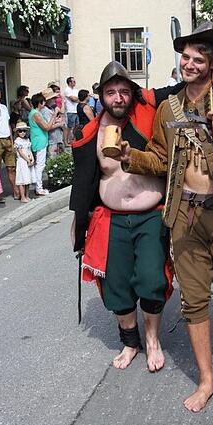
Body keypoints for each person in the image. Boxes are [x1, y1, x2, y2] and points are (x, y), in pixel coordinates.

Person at [114, 21, 213, 413]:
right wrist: (130, 157)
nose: (188, 64)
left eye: (197, 59)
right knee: (194, 300)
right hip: (185, 214)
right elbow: (159, 159)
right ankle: (206, 379)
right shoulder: (169, 108)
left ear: (212, 62)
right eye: (185, 57)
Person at [69, 61, 188, 374]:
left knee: (151, 279)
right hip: (111, 219)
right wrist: (79, 225)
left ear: (132, 93)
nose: (118, 98)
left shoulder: (149, 114)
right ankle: (130, 342)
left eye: (124, 91)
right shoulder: (89, 134)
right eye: (111, 92)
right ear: (101, 96)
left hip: (151, 216)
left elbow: (183, 86)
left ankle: (152, 340)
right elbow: (83, 185)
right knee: (116, 287)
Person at [29, 92, 59, 196]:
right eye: (43, 101)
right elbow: (46, 127)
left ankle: (39, 187)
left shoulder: (35, 112)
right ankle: (39, 188)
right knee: (40, 165)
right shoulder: (36, 114)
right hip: (39, 141)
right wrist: (54, 115)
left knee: (40, 164)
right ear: (40, 103)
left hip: (41, 140)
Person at [13, 122, 34, 203]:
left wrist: (32, 158)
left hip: (27, 160)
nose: (22, 133)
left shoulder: (27, 140)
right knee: (22, 179)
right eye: (20, 131)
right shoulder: (17, 141)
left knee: (27, 179)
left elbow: (29, 150)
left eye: (24, 131)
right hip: (22, 162)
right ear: (17, 132)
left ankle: (27, 195)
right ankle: (22, 196)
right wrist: (28, 160)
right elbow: (21, 153)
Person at [44, 87, 65, 157]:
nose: (55, 99)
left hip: (57, 138)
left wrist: (57, 120)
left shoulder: (52, 108)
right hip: (52, 140)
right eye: (53, 98)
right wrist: (59, 124)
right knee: (53, 160)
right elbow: (48, 126)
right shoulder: (45, 110)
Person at [63, 76, 79, 145]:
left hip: (76, 110)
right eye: (74, 81)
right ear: (69, 82)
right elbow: (73, 99)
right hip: (70, 111)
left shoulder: (76, 90)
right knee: (69, 127)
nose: (75, 83)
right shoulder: (67, 90)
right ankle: (66, 141)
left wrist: (77, 99)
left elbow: (78, 98)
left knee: (77, 125)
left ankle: (73, 138)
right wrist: (78, 99)